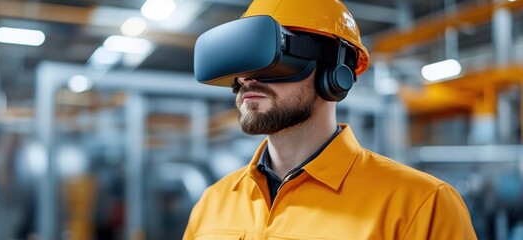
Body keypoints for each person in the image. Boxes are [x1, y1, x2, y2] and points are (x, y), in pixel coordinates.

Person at [184, 0, 477, 239]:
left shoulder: (422, 206)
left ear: (334, 73)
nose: (246, 78)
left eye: (270, 59)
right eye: (242, 64)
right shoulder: (212, 203)